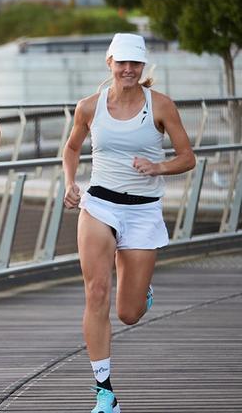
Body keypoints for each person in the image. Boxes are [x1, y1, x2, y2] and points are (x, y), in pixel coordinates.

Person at [62, 33, 195, 413]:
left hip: (142, 211)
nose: (128, 70)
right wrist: (70, 183)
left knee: (128, 313)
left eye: (135, 64)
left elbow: (188, 157)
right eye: (121, 63)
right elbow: (71, 148)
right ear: (110, 63)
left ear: (142, 67)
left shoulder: (162, 106)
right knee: (96, 292)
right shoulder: (89, 107)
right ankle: (103, 390)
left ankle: (141, 290)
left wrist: (158, 166)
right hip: (99, 205)